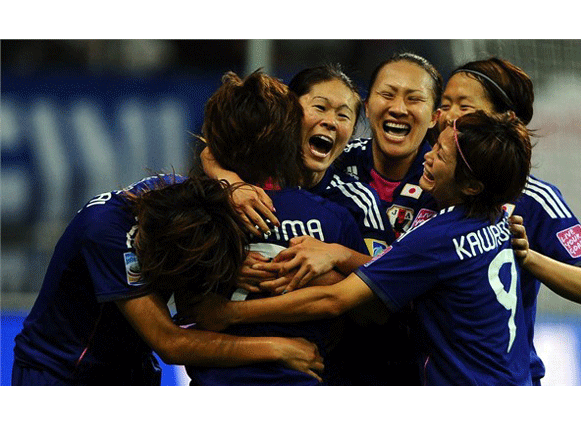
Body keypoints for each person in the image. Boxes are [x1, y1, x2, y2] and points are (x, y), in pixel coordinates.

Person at [180, 110, 535, 386]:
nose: (428, 157)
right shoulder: (496, 216)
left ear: (472, 185)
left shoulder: (438, 236)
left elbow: (336, 299)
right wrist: (340, 253)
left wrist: (229, 313)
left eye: (440, 155)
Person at [11, 173, 323, 385]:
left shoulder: (181, 197)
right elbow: (171, 343)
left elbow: (209, 154)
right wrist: (278, 348)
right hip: (62, 374)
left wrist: (228, 254)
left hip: (131, 370)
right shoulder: (105, 234)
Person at [183, 70, 369, 385]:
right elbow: (372, 304)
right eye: (319, 108)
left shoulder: (196, 209)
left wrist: (336, 259)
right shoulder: (333, 217)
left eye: (343, 115)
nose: (329, 122)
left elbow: (184, 317)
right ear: (291, 126)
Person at [437, 57, 581, 385]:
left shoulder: (534, 197)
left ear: (506, 118)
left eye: (465, 106)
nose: (450, 115)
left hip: (504, 379)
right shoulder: (427, 181)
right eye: (445, 104)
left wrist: (526, 257)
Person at [336, 52, 443, 238]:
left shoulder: (445, 182)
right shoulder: (336, 162)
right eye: (387, 95)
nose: (398, 109)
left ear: (434, 117)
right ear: (367, 107)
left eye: (414, 99)